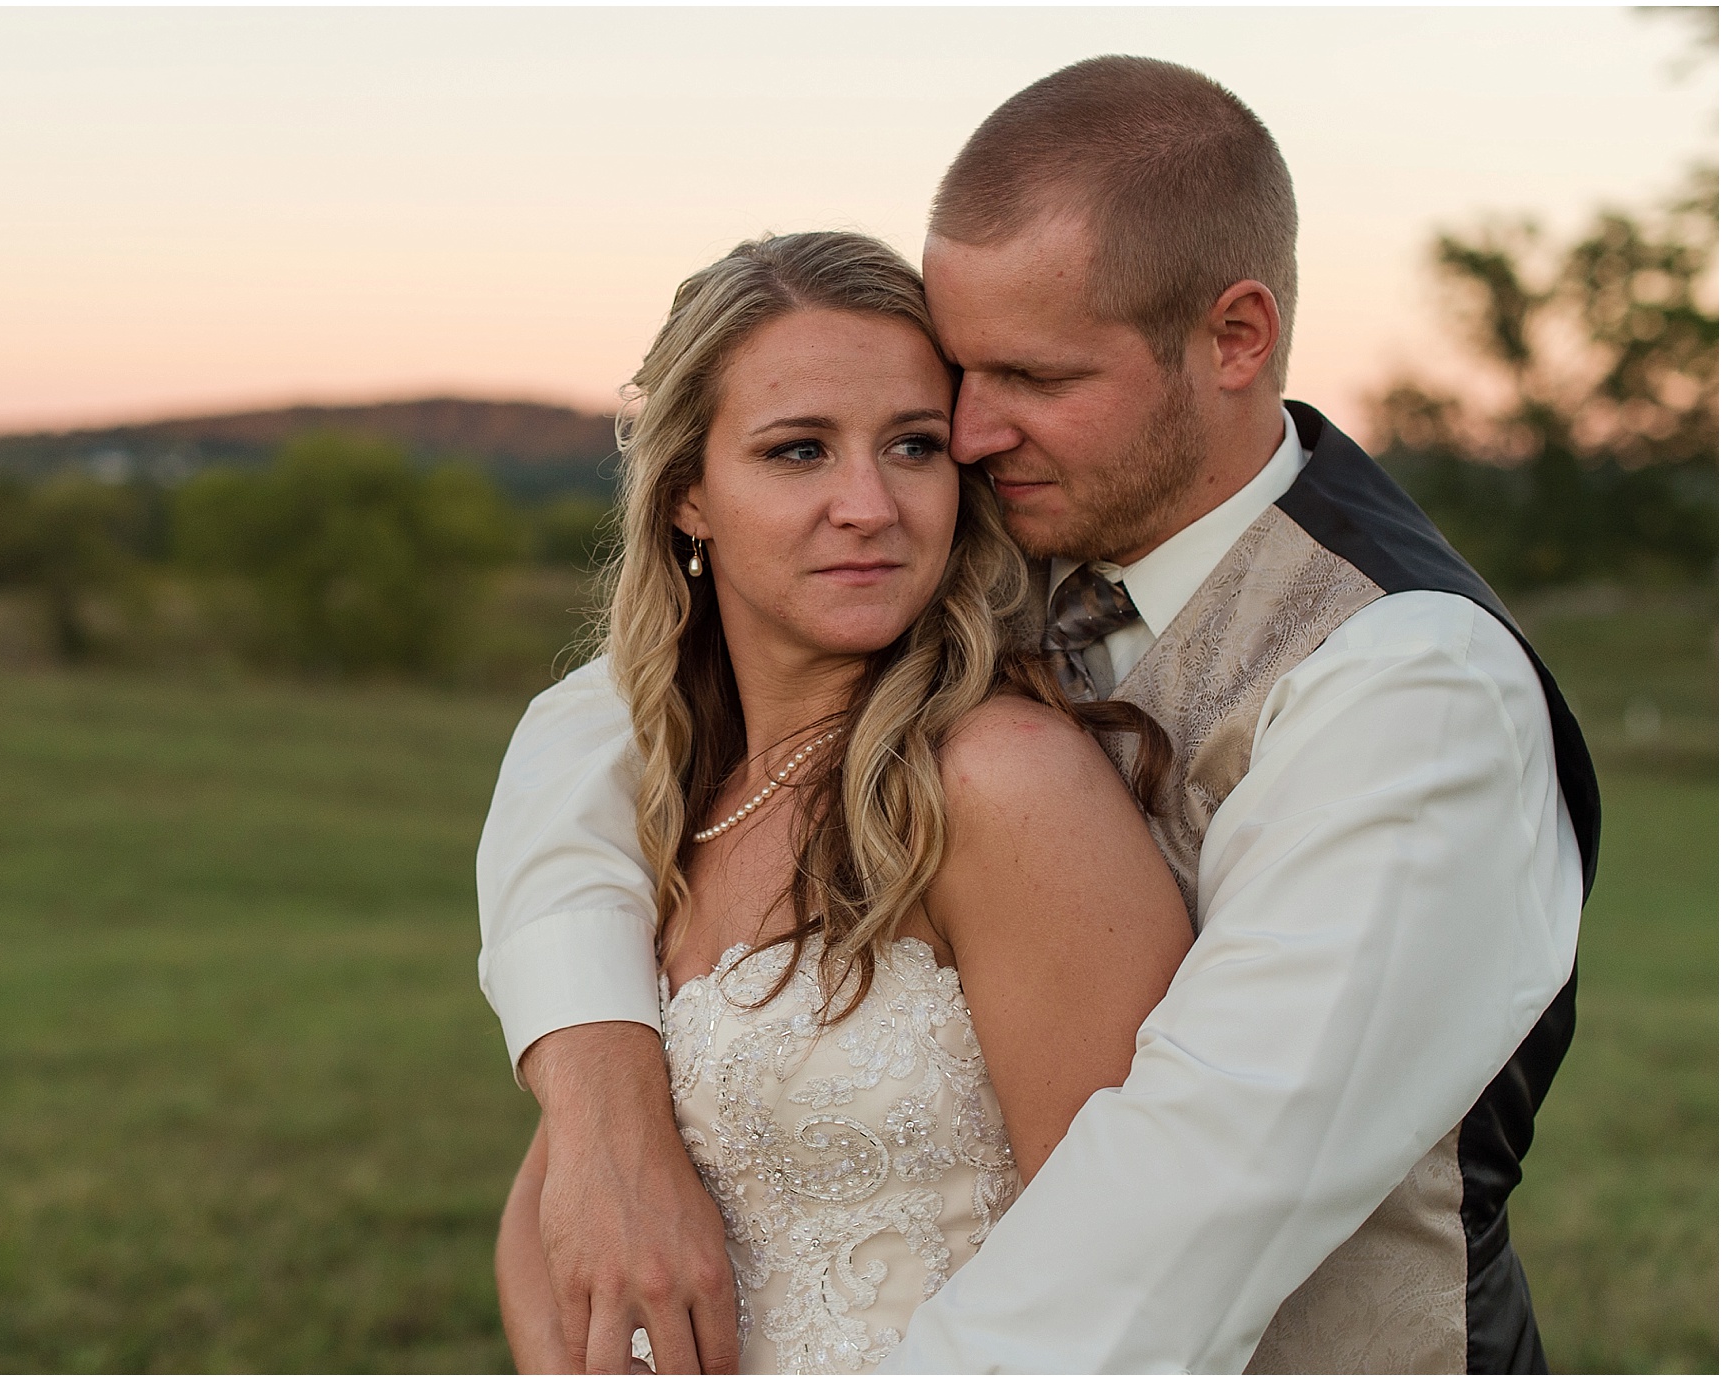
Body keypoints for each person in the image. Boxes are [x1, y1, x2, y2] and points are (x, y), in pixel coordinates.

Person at [478, 55, 1598, 1374]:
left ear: (1235, 338)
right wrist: (604, 1101)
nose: (964, 432)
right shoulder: (989, 553)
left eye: (1031, 375)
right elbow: (592, 723)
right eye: (960, 372)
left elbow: (1170, 1224)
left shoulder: (1408, 687)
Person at [492, 229, 1194, 1373]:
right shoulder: (672, 799)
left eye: (913, 446)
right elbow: (563, 1207)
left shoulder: (1000, 782)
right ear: (689, 497)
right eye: (798, 451)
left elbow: (1132, 1282)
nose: (869, 504)